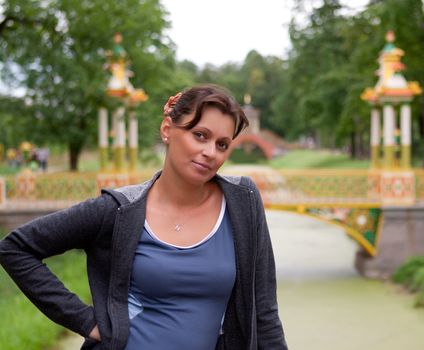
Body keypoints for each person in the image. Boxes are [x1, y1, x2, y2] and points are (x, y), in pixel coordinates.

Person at [0, 84, 288, 350]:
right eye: (200, 135)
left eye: (222, 144)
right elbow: (15, 248)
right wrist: (85, 321)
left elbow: (263, 311)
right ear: (167, 130)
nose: (210, 152)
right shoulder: (119, 209)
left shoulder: (242, 201)